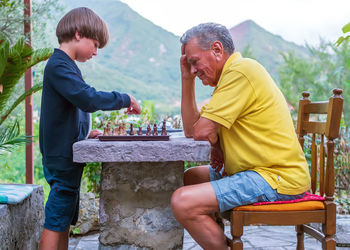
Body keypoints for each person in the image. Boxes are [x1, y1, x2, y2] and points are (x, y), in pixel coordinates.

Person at [171, 23, 311, 249]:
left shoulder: (241, 71)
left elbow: (200, 131)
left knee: (182, 202)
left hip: (275, 177)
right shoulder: (228, 79)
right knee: (192, 177)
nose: (194, 70)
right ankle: (219, 241)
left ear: (217, 50)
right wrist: (186, 78)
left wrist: (214, 138)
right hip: (254, 171)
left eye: (194, 62)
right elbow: (192, 129)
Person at [39, 7, 141, 250]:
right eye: (95, 44)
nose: (96, 52)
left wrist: (85, 134)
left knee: (64, 218)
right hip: (61, 157)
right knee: (55, 219)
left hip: (65, 154)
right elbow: (88, 99)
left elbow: (69, 112)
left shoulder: (66, 66)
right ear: (77, 34)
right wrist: (124, 98)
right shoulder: (59, 66)